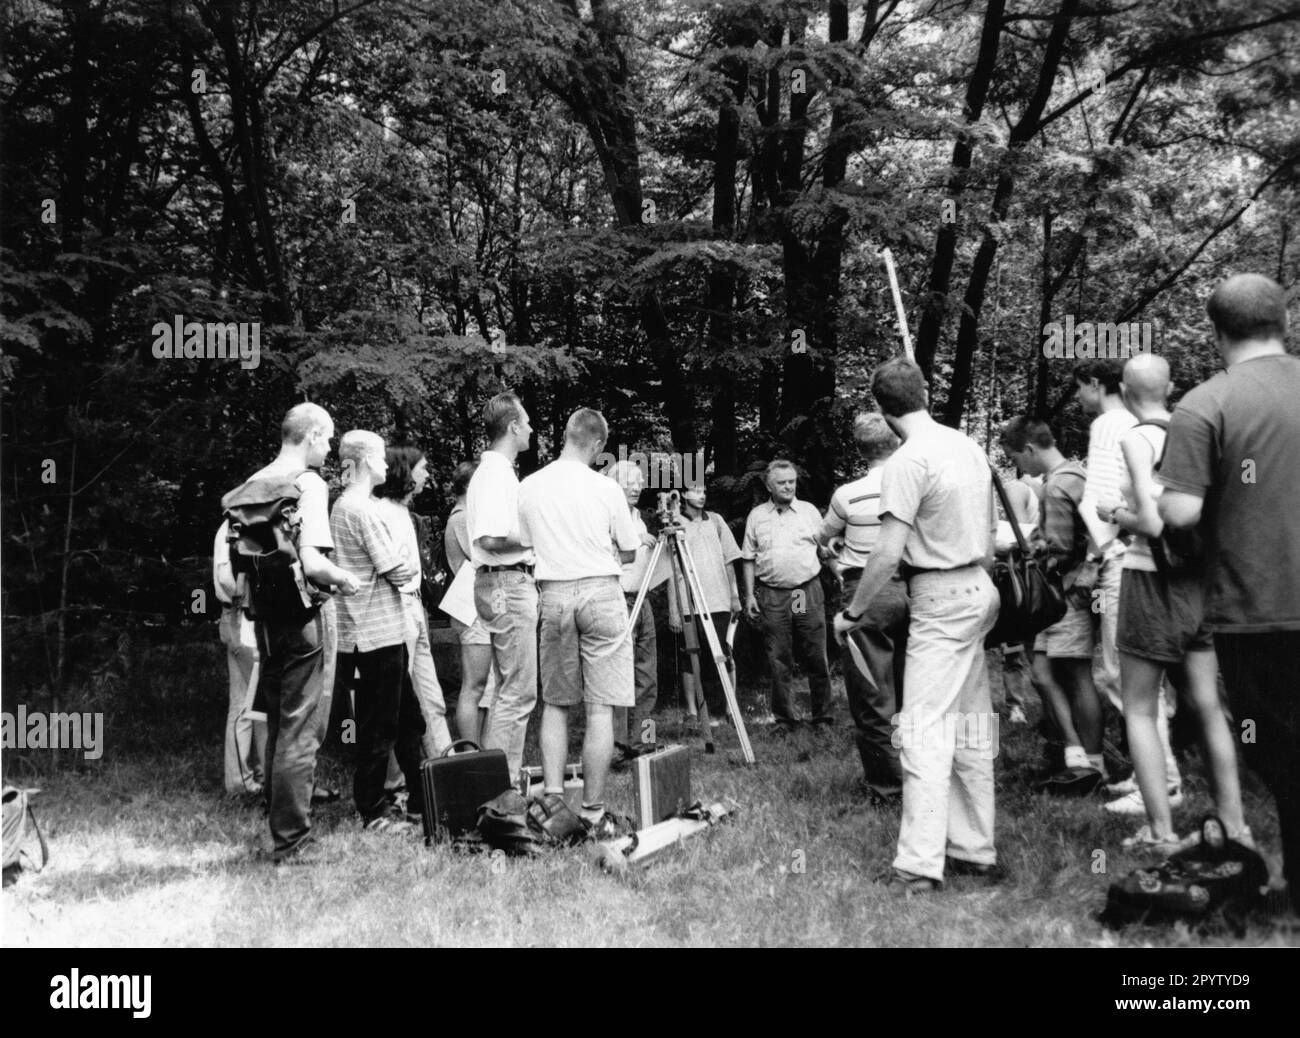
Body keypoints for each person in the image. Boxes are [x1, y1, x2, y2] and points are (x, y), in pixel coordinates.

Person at [1159, 273, 1299, 917]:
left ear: (1216, 333)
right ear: (1286, 320)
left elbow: (1182, 513)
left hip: (1256, 607)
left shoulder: (1205, 404)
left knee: (1276, 750)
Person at [835, 358, 999, 895]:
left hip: (942, 596)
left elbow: (884, 556)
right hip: (980, 589)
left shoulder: (909, 461)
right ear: (925, 392)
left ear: (882, 411)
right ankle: (974, 848)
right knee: (972, 724)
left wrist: (853, 613)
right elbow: (991, 531)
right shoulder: (969, 445)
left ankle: (919, 865)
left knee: (922, 731)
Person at [1097, 353, 1247, 850]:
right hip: (1201, 582)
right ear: (1171, 386)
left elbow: (1155, 521)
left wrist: (1114, 511)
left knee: (1139, 709)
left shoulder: (1136, 438)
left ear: (1122, 387)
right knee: (1207, 705)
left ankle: (1161, 831)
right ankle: (1234, 825)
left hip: (1150, 580)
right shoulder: (1200, 432)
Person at [239, 403, 357, 864]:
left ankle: (278, 819)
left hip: (266, 619)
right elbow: (313, 563)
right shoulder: (308, 484)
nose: (329, 449)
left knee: (277, 722)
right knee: (301, 729)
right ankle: (292, 840)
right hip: (306, 618)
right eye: (327, 440)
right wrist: (345, 578)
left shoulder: (256, 483)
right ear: (310, 436)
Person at [518, 409, 640, 833]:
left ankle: (552, 806)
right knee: (601, 706)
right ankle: (592, 809)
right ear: (597, 445)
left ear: (566, 436)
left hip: (553, 594)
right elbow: (629, 551)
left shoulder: (529, 486)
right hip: (601, 592)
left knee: (555, 703)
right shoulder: (606, 489)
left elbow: (526, 544)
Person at [1075, 358, 1183, 805]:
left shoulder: (1109, 425)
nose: (1079, 398)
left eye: (1081, 387)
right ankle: (1149, 776)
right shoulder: (1166, 425)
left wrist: (1091, 559)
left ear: (1100, 385)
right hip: (1166, 563)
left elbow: (1101, 502)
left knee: (1126, 675)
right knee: (1152, 678)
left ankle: (1164, 783)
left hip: (1124, 557)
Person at [999, 417, 1105, 792]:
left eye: (1016, 457)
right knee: (1043, 675)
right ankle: (1074, 754)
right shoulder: (1073, 475)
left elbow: (1060, 549)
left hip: (1064, 593)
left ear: (1029, 449)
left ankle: (1092, 764)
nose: (1020, 467)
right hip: (1060, 592)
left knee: (1076, 675)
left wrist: (1029, 555)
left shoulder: (1058, 485)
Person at [330, 431, 425, 832]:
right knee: (379, 726)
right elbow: (397, 569)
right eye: (383, 457)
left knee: (408, 720)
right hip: (374, 634)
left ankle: (423, 796)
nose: (388, 464)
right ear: (367, 460)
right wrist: (401, 560)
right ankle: (371, 810)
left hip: (373, 630)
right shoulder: (360, 510)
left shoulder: (346, 505)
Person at [818, 413, 909, 801]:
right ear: (897, 441)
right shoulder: (916, 483)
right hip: (916, 587)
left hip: (866, 591)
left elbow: (820, 537)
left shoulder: (847, 494)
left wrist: (835, 557)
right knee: (914, 688)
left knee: (873, 693)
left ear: (859, 449)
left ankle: (887, 787)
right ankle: (921, 778)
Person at [466, 392, 538, 778]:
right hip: (507, 583)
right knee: (518, 691)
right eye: (526, 423)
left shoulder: (495, 472)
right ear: (512, 427)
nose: (530, 429)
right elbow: (491, 539)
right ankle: (501, 785)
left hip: (498, 583)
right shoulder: (495, 474)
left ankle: (496, 780)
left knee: (508, 688)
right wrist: (537, 536)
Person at [373, 445, 454, 760]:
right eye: (422, 469)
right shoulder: (380, 512)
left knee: (431, 697)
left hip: (415, 608)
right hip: (396, 610)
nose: (427, 475)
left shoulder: (406, 515)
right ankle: (393, 779)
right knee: (396, 698)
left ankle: (445, 767)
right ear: (404, 472)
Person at [741, 460, 834, 728]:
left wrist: (835, 561)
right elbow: (748, 558)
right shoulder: (757, 516)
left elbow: (825, 549)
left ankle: (823, 717)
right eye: (782, 483)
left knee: (815, 652)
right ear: (769, 485)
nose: (788, 486)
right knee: (779, 657)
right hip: (773, 595)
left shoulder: (808, 512)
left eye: (791, 481)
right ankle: (784, 720)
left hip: (802, 592)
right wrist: (749, 596)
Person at [667, 480, 742, 725]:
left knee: (725, 654)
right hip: (689, 603)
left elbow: (730, 560)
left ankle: (731, 709)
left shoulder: (717, 521)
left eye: (704, 491)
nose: (702, 496)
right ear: (684, 494)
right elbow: (670, 569)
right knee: (690, 658)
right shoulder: (675, 523)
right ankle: (691, 712)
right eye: (696, 491)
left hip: (719, 600)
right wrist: (674, 610)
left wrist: (734, 595)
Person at [444, 460, 498, 745]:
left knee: (487, 686)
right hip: (472, 604)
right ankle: (471, 751)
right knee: (475, 685)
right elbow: (483, 556)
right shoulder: (463, 517)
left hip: (475, 602)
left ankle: (484, 752)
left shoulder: (465, 515)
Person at [608, 460, 660, 745]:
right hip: (618, 599)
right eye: (630, 481)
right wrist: (635, 540)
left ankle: (645, 739)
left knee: (647, 675)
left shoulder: (638, 514)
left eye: (640, 482)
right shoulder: (605, 514)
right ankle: (618, 745)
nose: (636, 487)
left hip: (643, 598)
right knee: (618, 675)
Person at [214, 521, 267, 797]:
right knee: (252, 705)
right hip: (241, 619)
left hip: (235, 618)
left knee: (248, 703)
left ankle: (251, 776)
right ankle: (243, 780)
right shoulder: (235, 526)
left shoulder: (234, 524)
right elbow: (224, 576)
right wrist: (242, 597)